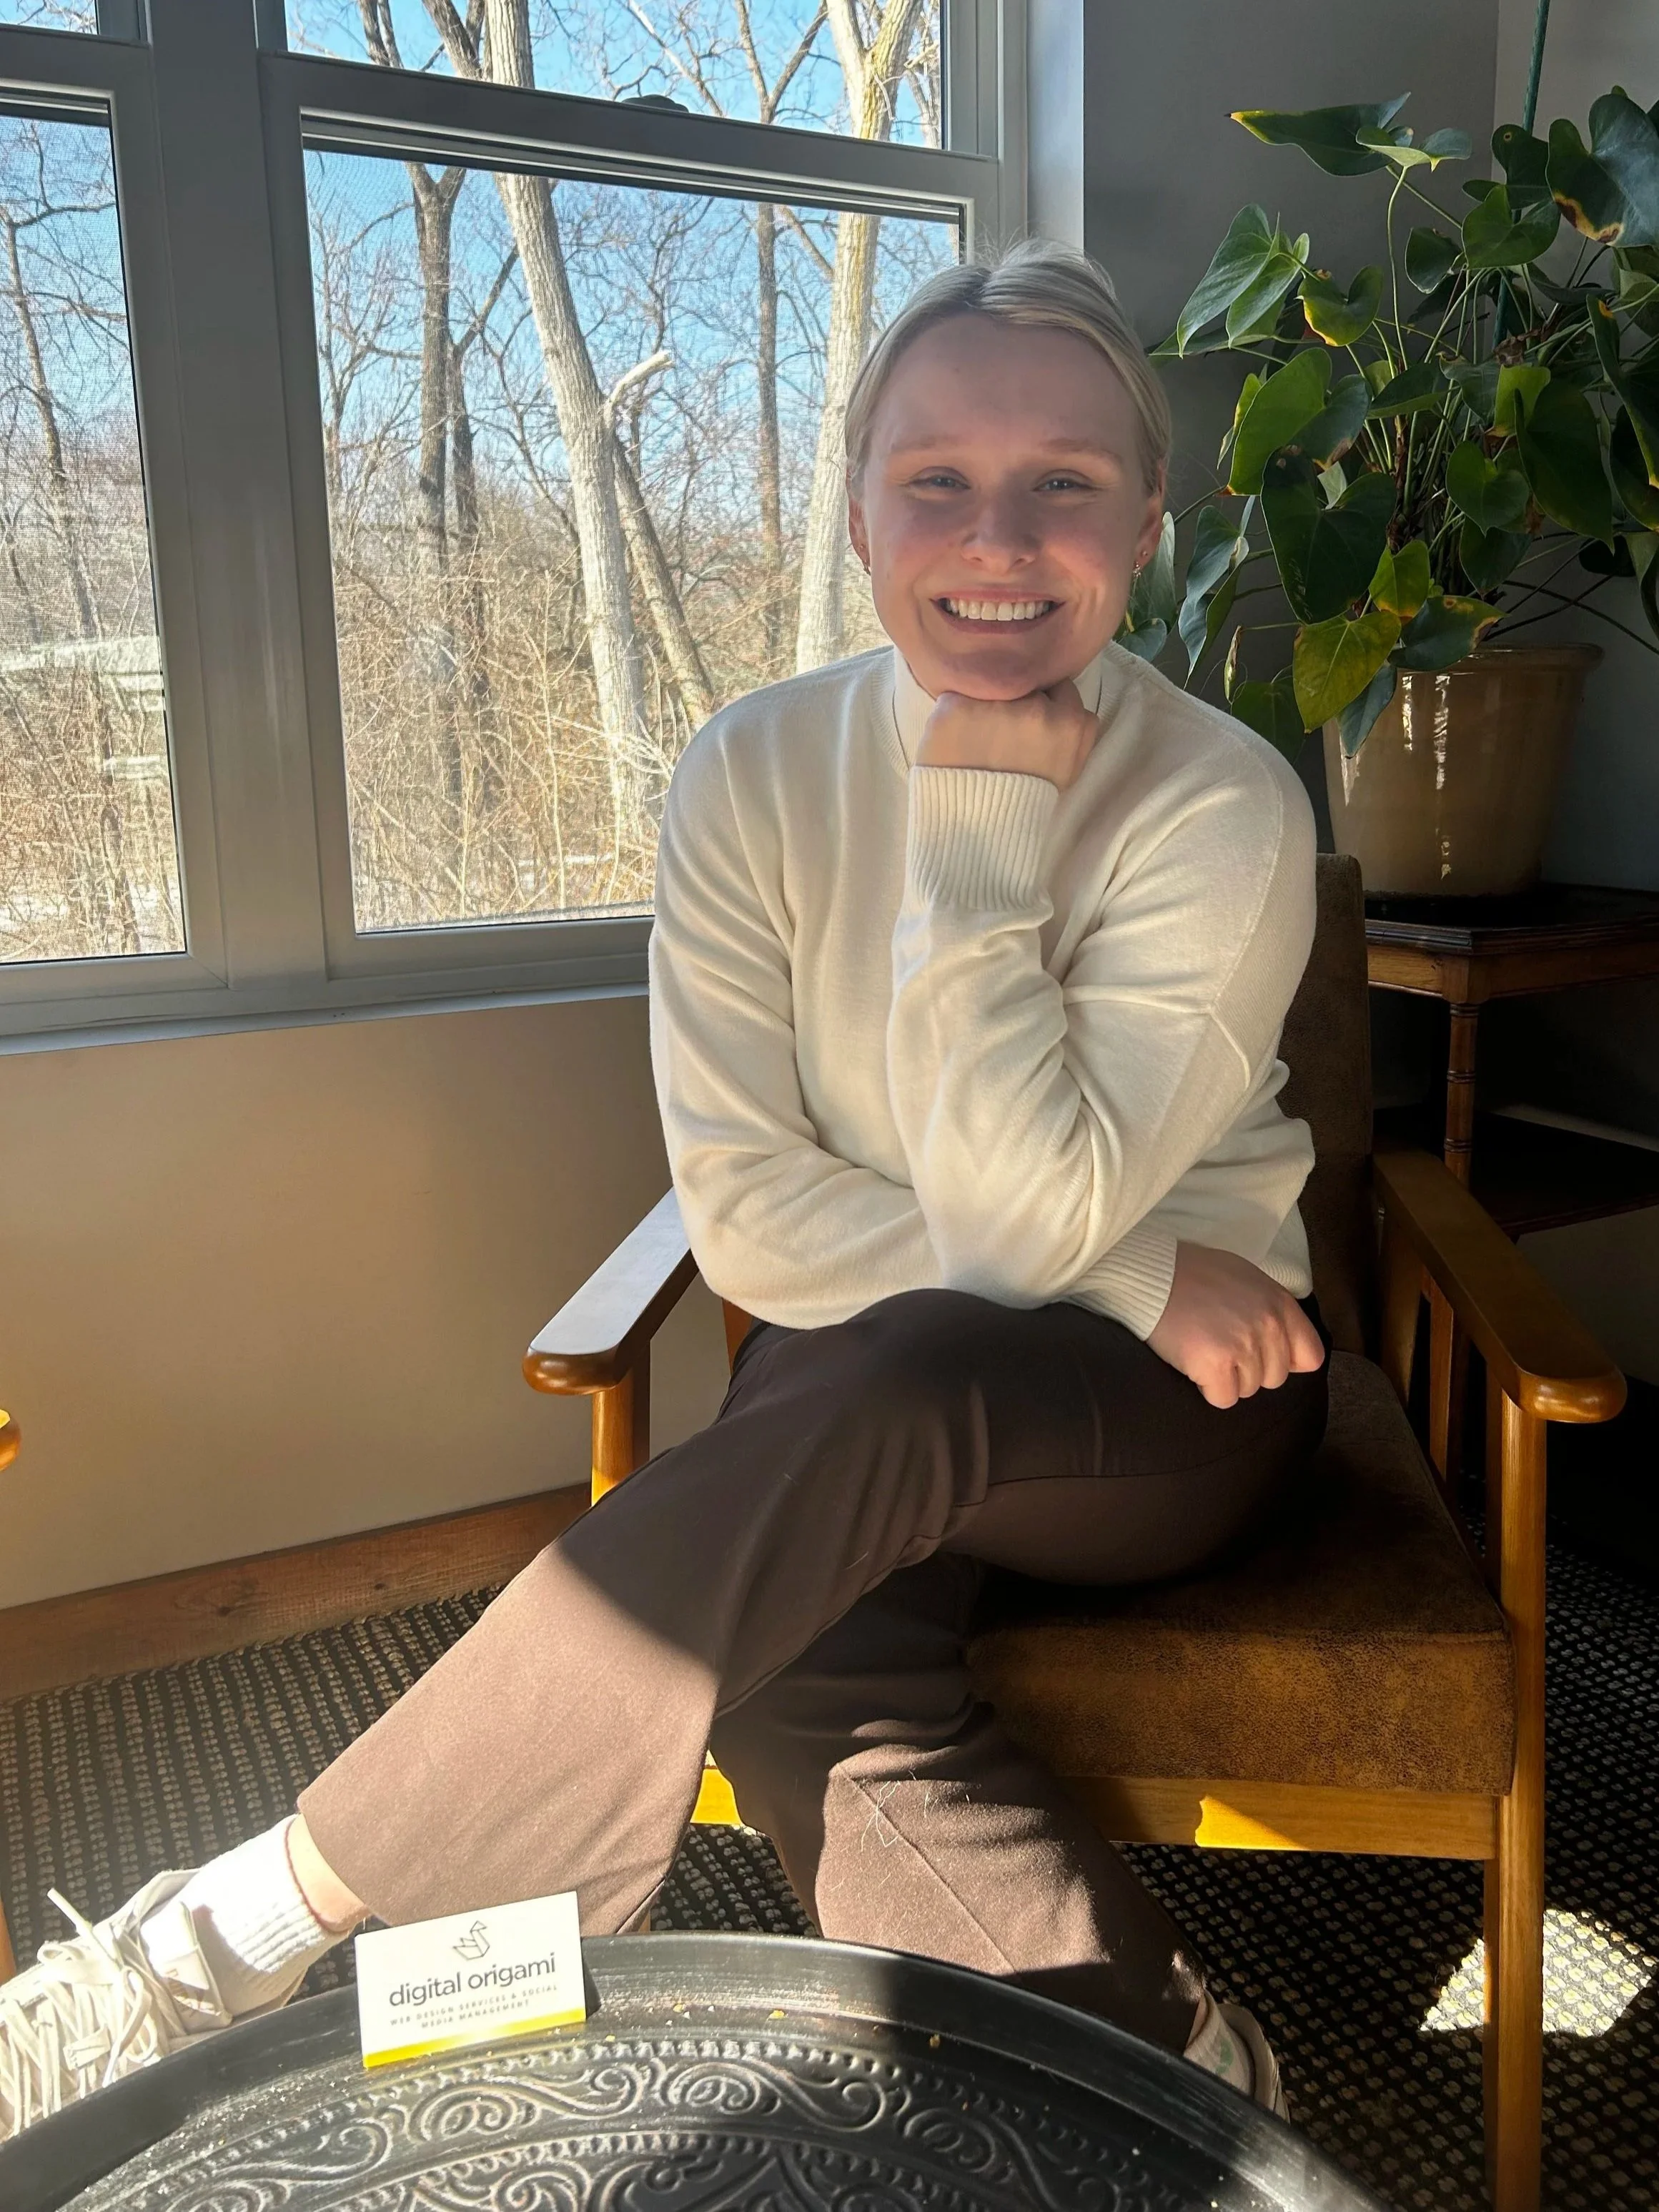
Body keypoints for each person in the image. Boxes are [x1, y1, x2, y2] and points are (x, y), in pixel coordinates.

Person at [0, 240, 1327, 2141]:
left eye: (1066, 482)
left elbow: (1019, 1215)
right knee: (795, 1661)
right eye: (935, 477)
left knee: (894, 1372)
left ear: (1149, 516)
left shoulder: (1217, 803)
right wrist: (1138, 1267)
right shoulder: (749, 774)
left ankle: (203, 1955)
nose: (998, 534)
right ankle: (1162, 2058)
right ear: (857, 505)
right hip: (947, 1376)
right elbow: (755, 1222)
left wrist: (979, 810)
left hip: (1172, 1424)